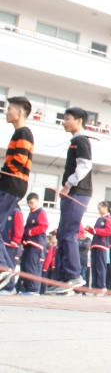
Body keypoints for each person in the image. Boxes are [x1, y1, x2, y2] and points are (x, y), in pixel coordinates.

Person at [46, 107, 94, 294]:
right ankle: (64, 278)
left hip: (77, 192)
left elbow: (85, 165)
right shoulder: (76, 140)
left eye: (67, 118)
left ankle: (74, 275)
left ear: (79, 120)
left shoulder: (81, 140)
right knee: (62, 235)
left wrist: (68, 185)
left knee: (68, 234)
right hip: (73, 192)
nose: (64, 122)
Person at [0, 97, 33, 289]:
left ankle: (5, 268)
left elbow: (18, 161)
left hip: (12, 184)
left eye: (9, 108)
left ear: (19, 112)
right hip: (12, 184)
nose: (7, 111)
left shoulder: (23, 133)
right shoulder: (20, 133)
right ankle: (6, 271)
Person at [19, 193, 48, 295]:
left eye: (32, 202)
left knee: (32, 266)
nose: (30, 204)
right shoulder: (31, 213)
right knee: (25, 266)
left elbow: (44, 226)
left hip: (36, 244)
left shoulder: (40, 212)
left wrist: (30, 232)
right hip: (28, 244)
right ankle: (26, 288)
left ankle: (33, 289)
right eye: (28, 203)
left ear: (37, 201)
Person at [84, 201, 111, 295]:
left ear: (105, 208)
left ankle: (101, 286)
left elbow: (109, 230)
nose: (99, 210)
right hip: (95, 244)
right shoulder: (99, 219)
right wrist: (91, 230)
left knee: (100, 267)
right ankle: (94, 287)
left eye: (100, 208)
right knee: (94, 267)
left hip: (102, 245)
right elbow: (96, 232)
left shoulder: (109, 218)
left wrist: (96, 231)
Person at [0, 199, 22, 295]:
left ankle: (10, 287)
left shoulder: (16, 212)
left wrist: (15, 241)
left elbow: (19, 228)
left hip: (12, 244)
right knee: (6, 264)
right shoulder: (6, 212)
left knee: (10, 265)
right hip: (4, 243)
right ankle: (6, 287)